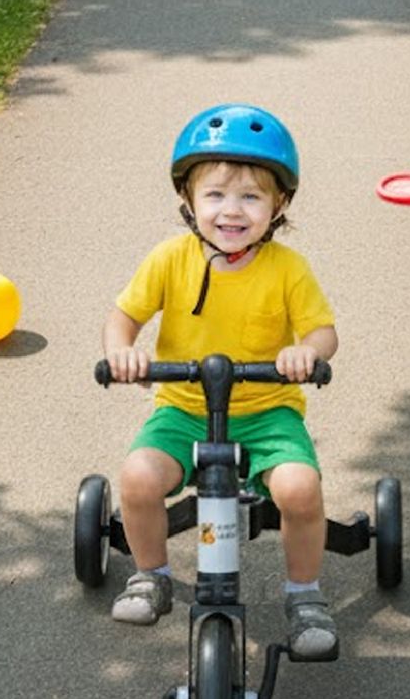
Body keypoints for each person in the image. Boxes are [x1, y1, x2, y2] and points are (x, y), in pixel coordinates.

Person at [102, 103, 340, 660]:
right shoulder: (169, 258)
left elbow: (323, 332)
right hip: (183, 409)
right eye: (215, 195)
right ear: (188, 200)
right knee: (138, 478)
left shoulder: (287, 269)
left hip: (266, 412)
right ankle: (151, 575)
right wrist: (122, 351)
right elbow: (123, 317)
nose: (231, 211)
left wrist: (306, 352)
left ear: (279, 205)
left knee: (299, 489)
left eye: (251, 197)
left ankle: (305, 595)